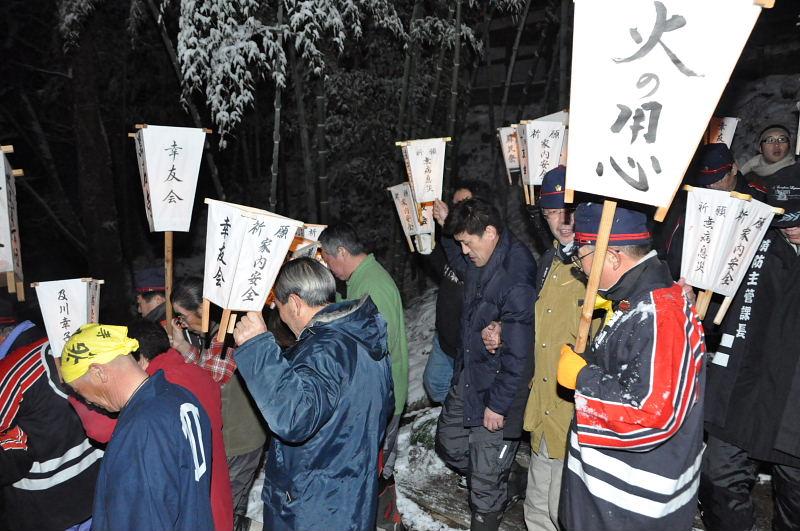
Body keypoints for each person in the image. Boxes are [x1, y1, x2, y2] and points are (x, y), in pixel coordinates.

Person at [557, 203, 706, 531]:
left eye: (582, 257)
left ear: (611, 257)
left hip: (632, 509)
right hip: (607, 498)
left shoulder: (659, 315)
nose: (580, 269)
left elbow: (651, 415)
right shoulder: (633, 300)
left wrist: (583, 377)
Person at [232, 257, 394, 531]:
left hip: (315, 505)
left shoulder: (325, 350)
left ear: (294, 302)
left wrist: (257, 348)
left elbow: (294, 418)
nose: (280, 316)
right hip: (349, 490)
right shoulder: (361, 336)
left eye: (280, 307)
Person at [483, 166, 586, 531]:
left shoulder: (597, 269)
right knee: (537, 512)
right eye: (551, 213)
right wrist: (505, 331)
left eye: (567, 210)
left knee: (565, 514)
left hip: (575, 418)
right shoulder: (549, 262)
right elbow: (538, 325)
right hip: (543, 409)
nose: (561, 221)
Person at [700, 180, 800, 531]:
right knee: (717, 477)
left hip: (793, 405)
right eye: (785, 221)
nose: (793, 229)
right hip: (743, 390)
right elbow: (713, 307)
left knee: (795, 499)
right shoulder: (753, 242)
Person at [68, 320, 234, 531]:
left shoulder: (142, 430)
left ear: (98, 372)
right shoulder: (178, 394)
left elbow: (142, 519)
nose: (87, 402)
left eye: (80, 392)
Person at [432, 197, 537, 531]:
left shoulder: (515, 277)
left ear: (490, 232)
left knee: (484, 489)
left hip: (497, 390)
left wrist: (499, 405)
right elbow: (462, 268)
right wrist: (446, 229)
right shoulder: (482, 259)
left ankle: (491, 494)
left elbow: (520, 355)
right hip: (471, 374)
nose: (464, 250)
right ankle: (505, 474)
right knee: (448, 442)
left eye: (467, 242)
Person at [170, 277, 267, 529]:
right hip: (233, 437)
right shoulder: (214, 332)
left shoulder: (229, 335)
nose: (183, 323)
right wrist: (182, 345)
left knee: (227, 507)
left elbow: (210, 380)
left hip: (241, 440)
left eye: (183, 316)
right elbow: (209, 364)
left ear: (202, 310)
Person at [318, 224, 408, 484]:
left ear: (342, 252)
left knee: (376, 469)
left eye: (328, 260)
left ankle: (384, 517)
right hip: (378, 394)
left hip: (383, 396)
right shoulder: (362, 280)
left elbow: (379, 342)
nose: (329, 268)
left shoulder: (373, 287)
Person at [0, 310, 101, 531]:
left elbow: (15, 454)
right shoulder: (63, 342)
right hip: (95, 490)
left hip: (47, 507)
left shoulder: (11, 371)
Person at [423, 178, 492, 404]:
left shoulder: (486, 248)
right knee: (436, 385)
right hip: (445, 339)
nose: (459, 209)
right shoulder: (452, 241)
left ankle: (458, 425)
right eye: (456, 204)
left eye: (466, 202)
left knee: (469, 396)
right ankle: (453, 422)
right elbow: (438, 264)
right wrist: (421, 240)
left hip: (470, 343)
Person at [657, 143, 766, 279]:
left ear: (733, 169)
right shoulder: (694, 196)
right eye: (706, 180)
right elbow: (675, 241)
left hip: (731, 280)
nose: (712, 185)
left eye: (718, 179)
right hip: (691, 277)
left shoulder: (758, 200)